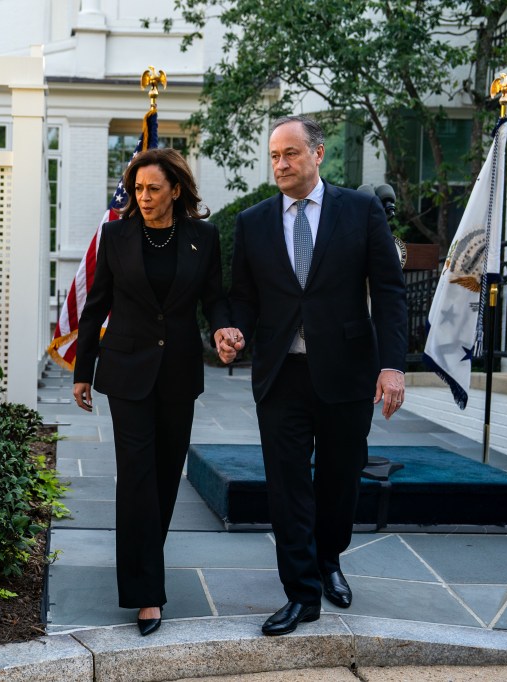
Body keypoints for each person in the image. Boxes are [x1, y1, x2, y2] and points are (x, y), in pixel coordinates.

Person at [217, 115, 407, 636]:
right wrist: (233, 330)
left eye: (291, 154)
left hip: (347, 372)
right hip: (281, 375)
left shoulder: (361, 210)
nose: (280, 164)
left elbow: (389, 293)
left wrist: (392, 364)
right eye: (274, 155)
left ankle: (328, 560)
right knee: (286, 485)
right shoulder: (253, 221)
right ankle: (301, 592)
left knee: (340, 479)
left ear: (317, 154)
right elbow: (245, 297)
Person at [72, 147, 239, 636]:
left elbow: (215, 299)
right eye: (138, 189)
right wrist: (84, 369)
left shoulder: (203, 238)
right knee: (138, 478)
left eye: (153, 189)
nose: (143, 197)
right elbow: (96, 304)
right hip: (126, 372)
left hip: (178, 373)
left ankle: (145, 560)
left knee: (166, 479)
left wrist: (226, 330)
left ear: (176, 190)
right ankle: (147, 593)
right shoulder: (117, 235)